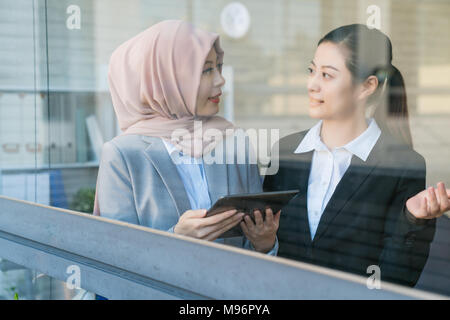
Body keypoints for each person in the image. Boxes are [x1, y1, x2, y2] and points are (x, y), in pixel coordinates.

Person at [263, 24, 450, 287]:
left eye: (327, 75)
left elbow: (396, 280)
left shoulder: (403, 165)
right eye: (311, 70)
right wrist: (265, 244)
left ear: (366, 87)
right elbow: (269, 254)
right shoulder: (286, 152)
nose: (312, 84)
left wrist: (412, 219)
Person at [94, 20, 279, 255]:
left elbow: (253, 246)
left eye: (218, 67)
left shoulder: (234, 141)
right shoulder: (122, 155)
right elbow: (116, 254)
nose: (221, 80)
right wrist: (176, 238)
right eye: (206, 70)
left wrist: (265, 244)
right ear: (167, 80)